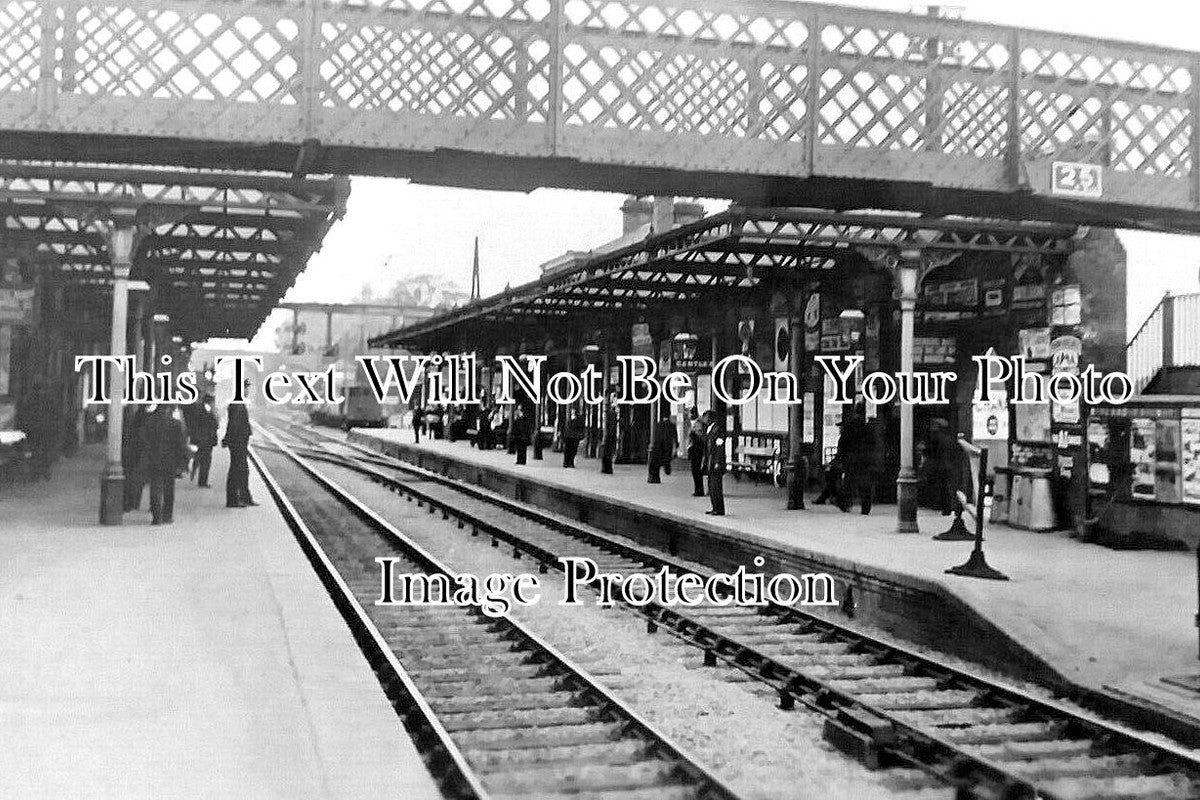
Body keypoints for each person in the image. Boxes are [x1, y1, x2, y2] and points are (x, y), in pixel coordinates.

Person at [138, 404, 190, 525]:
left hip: (154, 459)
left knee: (155, 487)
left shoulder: (150, 422)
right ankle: (167, 515)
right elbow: (181, 444)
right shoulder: (175, 424)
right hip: (170, 461)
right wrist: (183, 462)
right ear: (169, 409)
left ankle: (156, 516)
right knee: (168, 489)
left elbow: (143, 439)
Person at [223, 394, 256, 508]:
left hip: (239, 441)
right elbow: (234, 425)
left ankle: (244, 497)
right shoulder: (237, 405)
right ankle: (233, 500)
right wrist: (230, 439)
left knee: (243, 470)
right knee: (236, 471)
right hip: (238, 442)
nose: (247, 392)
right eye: (246, 388)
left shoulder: (238, 404)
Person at [924, 418, 957, 515]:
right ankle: (947, 506)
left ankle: (940, 505)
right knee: (945, 487)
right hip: (946, 465)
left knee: (940, 487)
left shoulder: (937, 438)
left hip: (939, 466)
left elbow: (932, 451)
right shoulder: (949, 438)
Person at [122, 405, 148, 511]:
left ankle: (129, 502)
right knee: (137, 481)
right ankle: (134, 502)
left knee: (130, 479)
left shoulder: (131, 420)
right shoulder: (145, 422)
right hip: (138, 455)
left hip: (130, 454)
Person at [188, 394, 218, 487]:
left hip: (203, 439)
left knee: (200, 459)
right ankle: (202, 481)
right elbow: (211, 424)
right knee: (205, 461)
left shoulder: (201, 409)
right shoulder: (205, 411)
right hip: (205, 440)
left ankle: (196, 474)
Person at [702, 410, 726, 516]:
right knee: (711, 485)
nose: (705, 419)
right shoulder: (709, 429)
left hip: (715, 461)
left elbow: (719, 447)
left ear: (711, 418)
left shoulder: (718, 430)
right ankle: (714, 507)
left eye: (706, 417)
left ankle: (719, 509)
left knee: (716, 486)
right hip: (710, 461)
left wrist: (717, 462)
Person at [649, 414, 678, 483]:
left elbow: (655, 436)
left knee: (655, 463)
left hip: (658, 446)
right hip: (667, 447)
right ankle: (666, 465)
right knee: (665, 459)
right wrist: (675, 447)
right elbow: (675, 437)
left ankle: (654, 478)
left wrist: (652, 445)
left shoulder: (658, 425)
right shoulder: (672, 425)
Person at [686, 412, 705, 497]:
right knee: (695, 472)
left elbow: (699, 437)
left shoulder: (697, 424)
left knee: (697, 472)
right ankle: (697, 489)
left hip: (697, 452)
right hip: (694, 452)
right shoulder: (693, 424)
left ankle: (699, 490)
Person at [600, 397, 617, 474]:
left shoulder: (610, 414)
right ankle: (606, 468)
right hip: (608, 436)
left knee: (607, 453)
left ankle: (606, 468)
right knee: (607, 453)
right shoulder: (609, 413)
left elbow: (610, 427)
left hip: (608, 437)